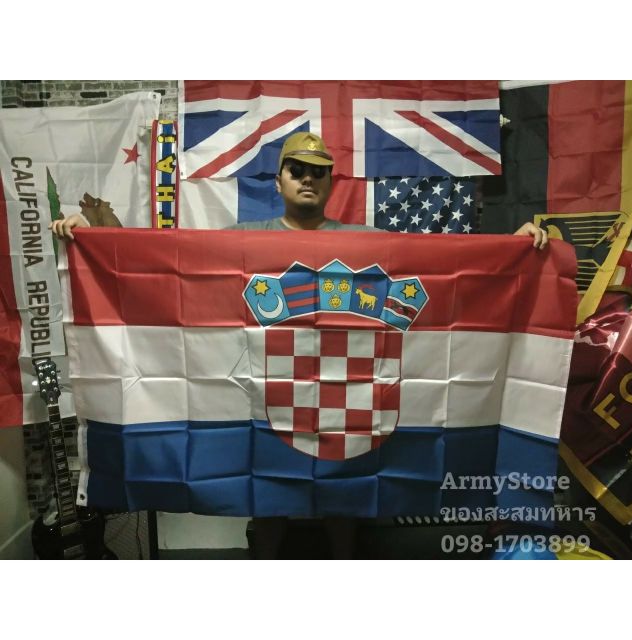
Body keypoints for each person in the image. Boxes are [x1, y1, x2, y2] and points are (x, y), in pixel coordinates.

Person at [50, 131, 549, 560]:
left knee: (345, 504)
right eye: (297, 170)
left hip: (349, 399)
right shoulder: (243, 242)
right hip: (269, 396)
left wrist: (516, 249)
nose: (308, 179)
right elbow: (167, 270)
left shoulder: (369, 241)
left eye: (318, 172)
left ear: (330, 182)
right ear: (279, 180)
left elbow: (448, 272)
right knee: (268, 504)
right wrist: (96, 237)